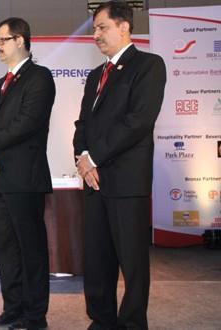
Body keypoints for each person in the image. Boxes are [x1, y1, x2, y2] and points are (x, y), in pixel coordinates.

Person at [73, 2, 166, 329]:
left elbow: (137, 121)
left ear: (124, 26)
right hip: (95, 182)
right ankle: (102, 321)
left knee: (133, 263)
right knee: (97, 261)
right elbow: (82, 124)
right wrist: (82, 158)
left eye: (102, 27)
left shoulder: (149, 65)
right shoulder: (96, 75)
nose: (95, 34)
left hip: (127, 183)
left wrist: (94, 157)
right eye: (94, 28)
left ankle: (132, 324)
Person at [0, 17, 55, 330]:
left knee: (30, 249)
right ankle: (13, 308)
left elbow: (26, 123)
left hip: (25, 178)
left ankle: (35, 316)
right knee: (6, 248)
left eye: (2, 40)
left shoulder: (40, 78)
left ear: (20, 40)